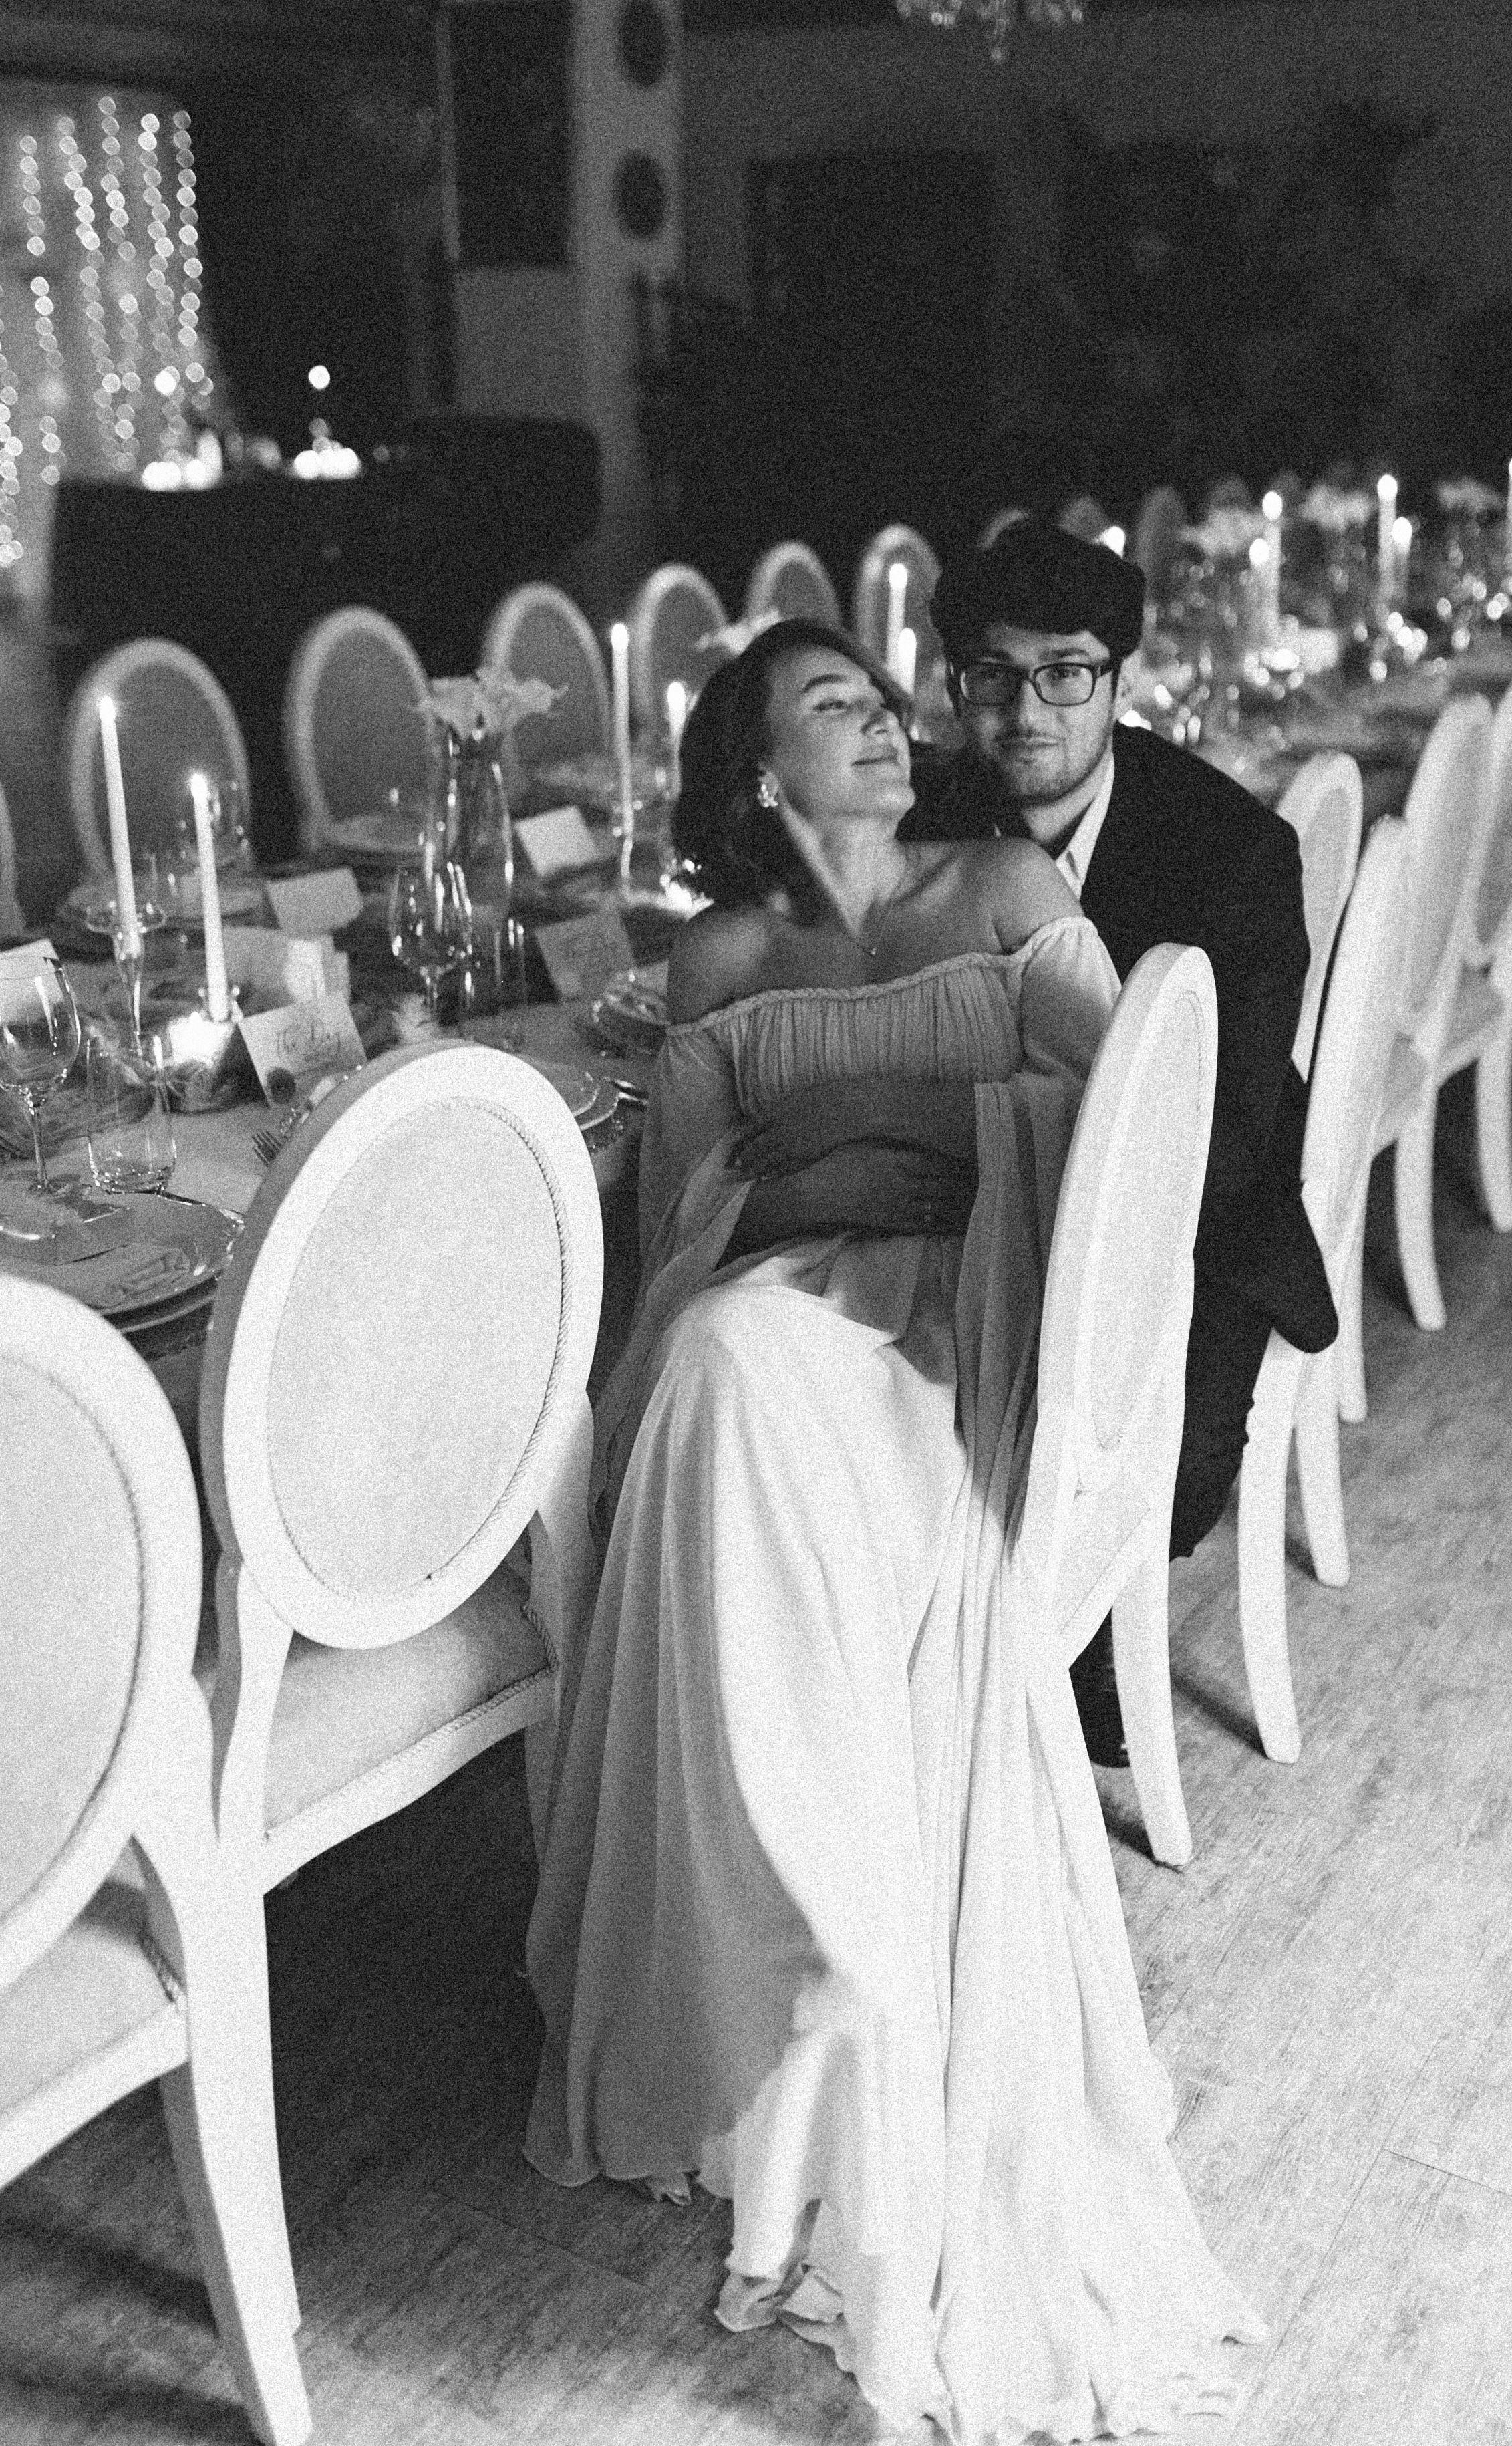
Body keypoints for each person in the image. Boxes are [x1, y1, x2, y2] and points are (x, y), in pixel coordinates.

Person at [526, 616, 1262, 2441]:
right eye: (834, 707)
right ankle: (811, 1940)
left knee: (740, 1373)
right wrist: (856, 1158)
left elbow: (1143, 1115)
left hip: (976, 1313)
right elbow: (692, 1204)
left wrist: (890, 1146)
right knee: (711, 1368)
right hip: (776, 1319)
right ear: (762, 774)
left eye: (879, 696)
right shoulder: (721, 951)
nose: (887, 721)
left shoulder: (1000, 877)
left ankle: (839, 1954)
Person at [914, 521, 1338, 1767]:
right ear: (956, 684)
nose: (1026, 712)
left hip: (1186, 1237)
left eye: (1067, 672)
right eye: (993, 676)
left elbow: (1230, 1140)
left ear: (1120, 680)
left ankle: (1054, 1645)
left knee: (1100, 1463)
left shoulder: (1234, 855)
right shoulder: (921, 813)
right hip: (956, 1204)